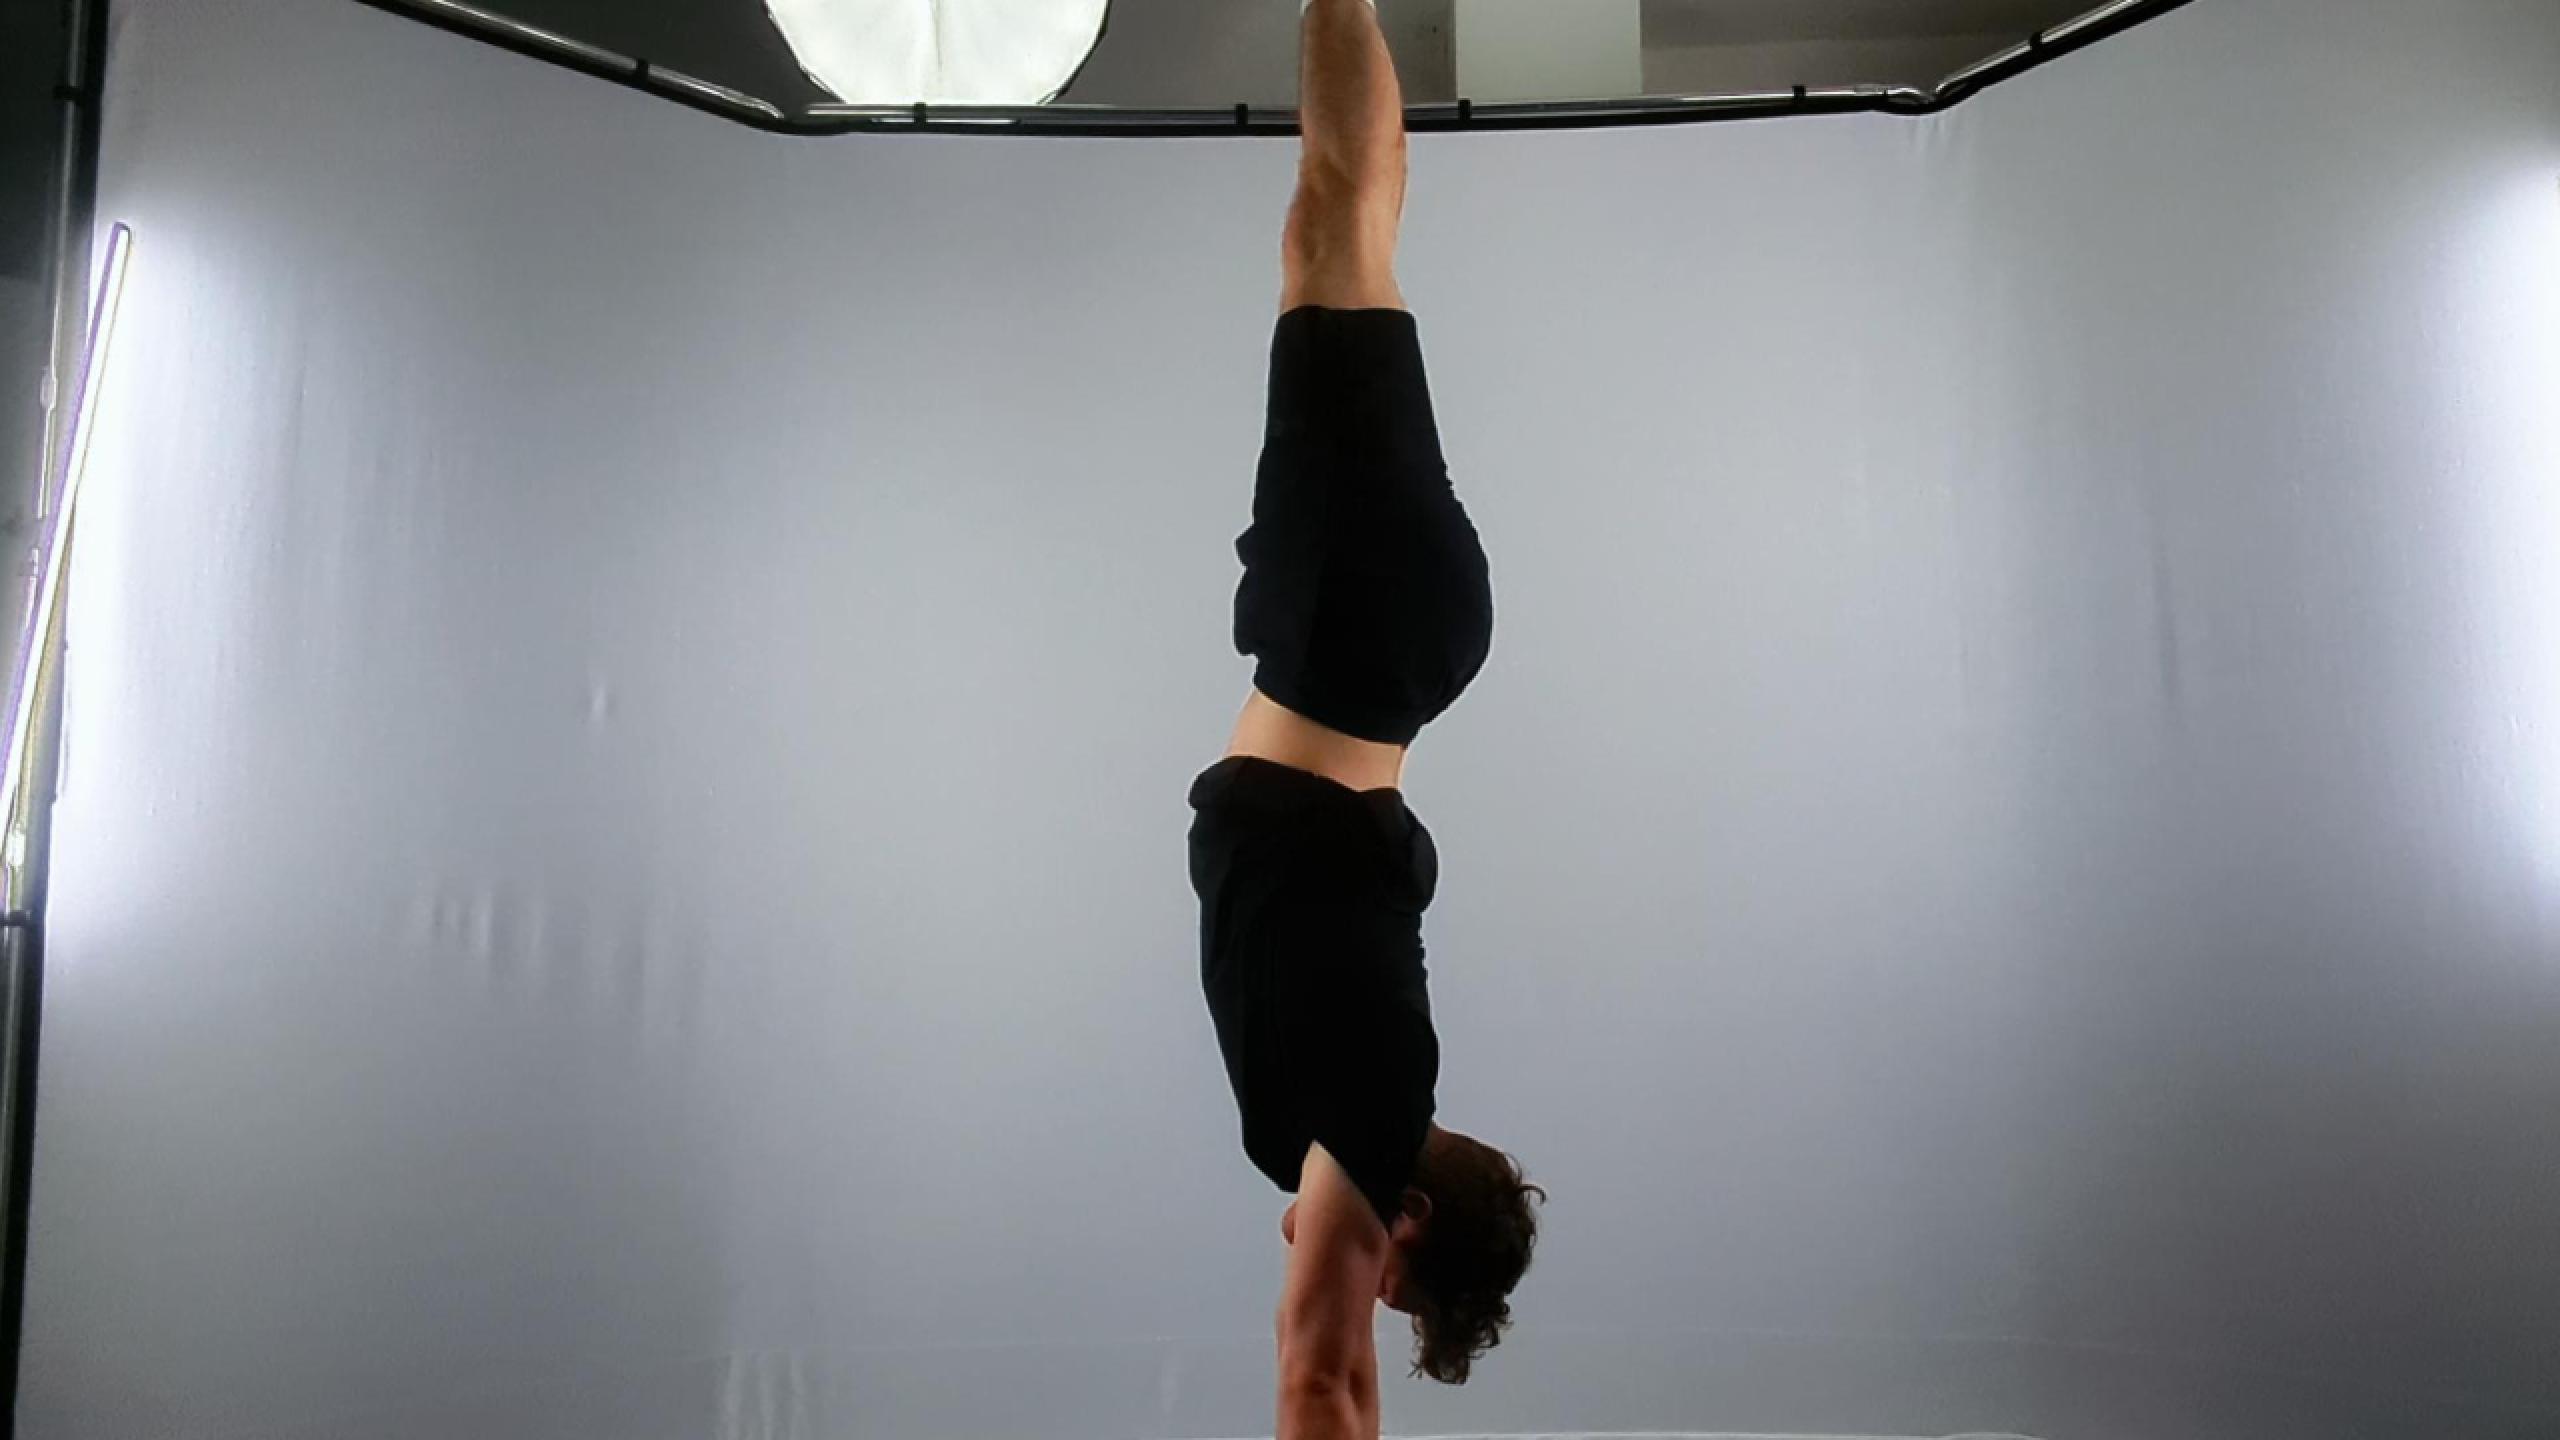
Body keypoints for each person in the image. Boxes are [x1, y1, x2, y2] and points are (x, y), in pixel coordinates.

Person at [1185, 1, 1543, 1434]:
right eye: (1394, 1286)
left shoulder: (1367, 1110)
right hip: (1360, 626)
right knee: (1337, 220)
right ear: (1405, 1225)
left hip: (1383, 646)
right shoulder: (1359, 1128)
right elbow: (1318, 1376)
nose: (1350, 1290)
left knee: (1334, 242)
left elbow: (1347, 1375)